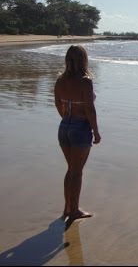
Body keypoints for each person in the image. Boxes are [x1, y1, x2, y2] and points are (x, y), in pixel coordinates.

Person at [54, 45, 101, 222]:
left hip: (64, 126)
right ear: (84, 60)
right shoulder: (85, 81)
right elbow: (89, 108)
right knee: (77, 172)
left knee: (71, 170)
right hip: (80, 128)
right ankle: (74, 211)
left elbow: (58, 104)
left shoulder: (60, 80)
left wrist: (67, 120)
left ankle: (67, 208)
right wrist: (95, 131)